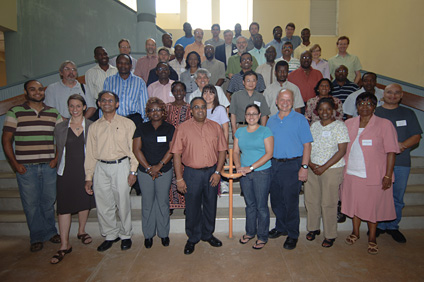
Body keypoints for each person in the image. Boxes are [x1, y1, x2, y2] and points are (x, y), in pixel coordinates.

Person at [2, 80, 62, 252]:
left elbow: (60, 138)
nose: (37, 92)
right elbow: (6, 140)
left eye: (40, 89)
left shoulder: (53, 113)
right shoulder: (16, 112)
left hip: (48, 165)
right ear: (25, 92)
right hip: (26, 167)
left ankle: (51, 232)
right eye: (33, 89)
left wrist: (56, 158)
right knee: (31, 203)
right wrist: (15, 164)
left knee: (49, 201)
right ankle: (36, 236)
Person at [342, 92, 399, 255]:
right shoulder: (349, 123)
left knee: (372, 208)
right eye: (361, 104)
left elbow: (391, 152)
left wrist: (388, 175)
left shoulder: (384, 124)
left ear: (375, 106)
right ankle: (355, 232)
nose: (364, 107)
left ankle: (372, 238)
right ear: (356, 107)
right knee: (355, 205)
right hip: (351, 172)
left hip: (373, 175)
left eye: (368, 104)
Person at [170, 97, 228, 255]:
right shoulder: (182, 128)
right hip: (191, 173)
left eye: (203, 107)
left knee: (210, 205)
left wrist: (218, 172)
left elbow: (222, 150)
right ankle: (193, 237)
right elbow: (176, 154)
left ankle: (208, 234)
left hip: (212, 172)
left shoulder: (215, 127)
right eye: (196, 107)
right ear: (191, 110)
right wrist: (179, 178)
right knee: (192, 207)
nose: (200, 110)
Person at [84, 90, 138, 252]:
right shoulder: (94, 127)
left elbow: (134, 150)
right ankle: (110, 235)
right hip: (100, 167)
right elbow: (91, 153)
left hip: (121, 166)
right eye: (103, 100)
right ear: (99, 104)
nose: (107, 103)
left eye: (110, 100)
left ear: (117, 104)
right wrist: (89, 176)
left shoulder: (127, 124)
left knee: (123, 202)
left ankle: (125, 235)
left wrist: (133, 171)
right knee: (103, 204)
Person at [50, 94, 96, 264]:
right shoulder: (60, 127)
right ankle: (64, 245)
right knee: (64, 207)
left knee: (84, 201)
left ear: (84, 107)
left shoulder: (92, 126)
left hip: (85, 170)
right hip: (66, 171)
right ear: (68, 108)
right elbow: (58, 148)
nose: (75, 109)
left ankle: (81, 231)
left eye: (78, 106)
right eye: (71, 106)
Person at [375, 84, 422, 243]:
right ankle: (380, 225)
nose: (392, 96)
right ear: (383, 94)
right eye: (389, 92)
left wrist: (400, 145)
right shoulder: (376, 113)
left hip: (401, 162)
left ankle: (393, 226)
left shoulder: (408, 113)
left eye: (396, 93)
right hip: (380, 162)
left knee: (397, 196)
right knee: (381, 195)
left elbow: (416, 137)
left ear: (401, 95)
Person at [266, 89, 313, 250]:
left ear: (293, 102)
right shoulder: (271, 120)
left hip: (292, 165)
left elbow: (307, 145)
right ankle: (281, 227)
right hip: (273, 165)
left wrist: (304, 167)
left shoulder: (300, 120)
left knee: (290, 201)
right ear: (277, 101)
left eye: (288, 100)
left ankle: (293, 234)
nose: (285, 102)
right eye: (282, 99)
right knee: (276, 200)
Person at [304, 97, 349, 248]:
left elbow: (342, 151)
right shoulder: (314, 126)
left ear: (334, 110)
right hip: (312, 167)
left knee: (328, 203)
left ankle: (330, 234)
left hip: (331, 169)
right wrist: (310, 163)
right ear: (317, 111)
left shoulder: (340, 126)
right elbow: (307, 146)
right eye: (321, 109)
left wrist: (323, 167)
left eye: (328, 109)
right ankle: (313, 228)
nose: (325, 112)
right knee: (311, 200)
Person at [133, 97, 175, 249]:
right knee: (147, 203)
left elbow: (172, 149)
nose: (155, 112)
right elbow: (136, 149)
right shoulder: (141, 128)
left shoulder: (170, 128)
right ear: (148, 113)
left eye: (158, 110)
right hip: (145, 172)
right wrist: (149, 168)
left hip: (164, 170)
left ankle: (164, 234)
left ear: (163, 112)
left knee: (163, 202)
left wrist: (159, 166)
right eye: (152, 110)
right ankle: (148, 235)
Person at [234, 104, 274, 250]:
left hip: (261, 172)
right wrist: (239, 166)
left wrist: (251, 168)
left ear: (259, 115)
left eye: (254, 114)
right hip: (244, 173)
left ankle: (262, 236)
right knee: (250, 205)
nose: (251, 116)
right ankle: (250, 232)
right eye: (248, 114)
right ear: (245, 116)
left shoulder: (265, 131)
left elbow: (269, 153)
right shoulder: (239, 131)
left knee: (261, 206)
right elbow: (236, 152)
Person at [166, 81, 192, 213]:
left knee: (185, 175)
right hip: (170, 147)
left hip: (186, 147)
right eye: (176, 90)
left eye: (181, 90)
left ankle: (187, 204)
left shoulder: (189, 108)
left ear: (185, 92)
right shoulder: (167, 107)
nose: (179, 93)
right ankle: (171, 203)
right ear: (172, 92)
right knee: (171, 174)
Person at [229, 71, 270, 138]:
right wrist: (234, 130)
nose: (251, 83)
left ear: (256, 82)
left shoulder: (260, 97)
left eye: (253, 80)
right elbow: (233, 114)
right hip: (241, 127)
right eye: (248, 80)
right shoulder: (236, 96)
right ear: (243, 82)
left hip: (256, 128)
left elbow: (264, 115)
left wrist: (262, 130)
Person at [85, 46, 118, 113]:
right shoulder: (90, 73)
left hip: (116, 108)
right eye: (100, 55)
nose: (103, 56)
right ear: (95, 57)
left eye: (105, 54)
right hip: (99, 108)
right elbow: (90, 95)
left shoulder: (116, 70)